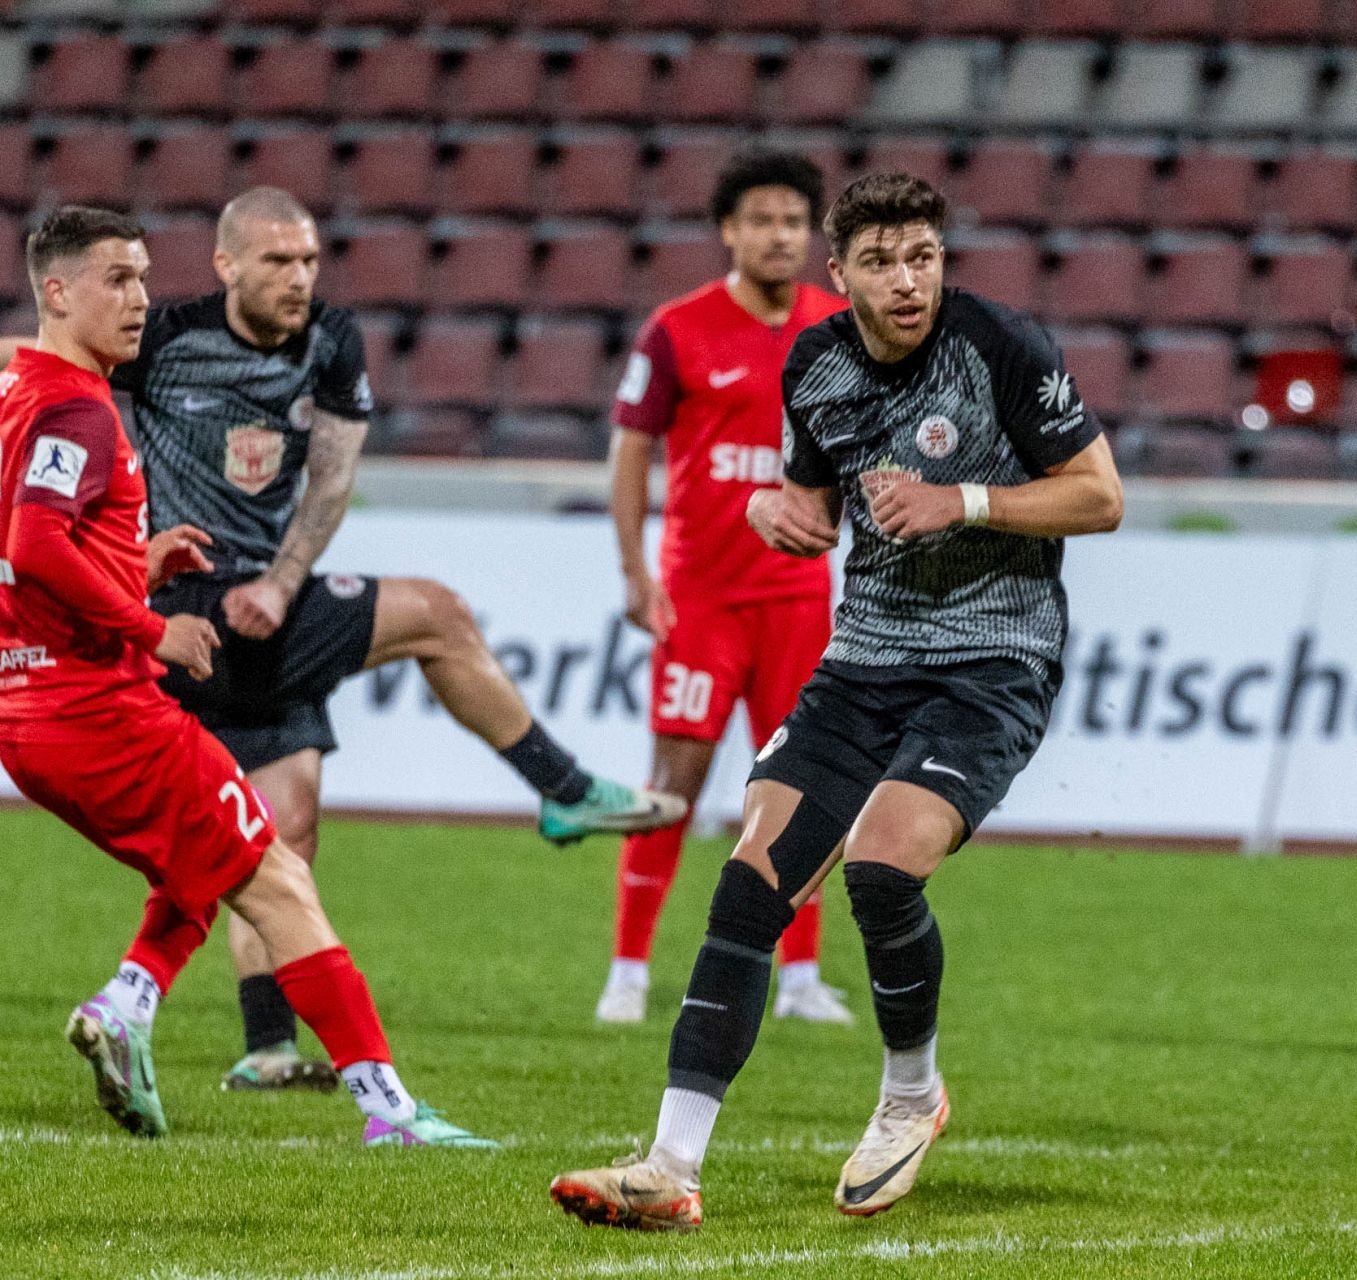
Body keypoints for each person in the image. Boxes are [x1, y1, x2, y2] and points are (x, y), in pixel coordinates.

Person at [3, 186, 686, 1092]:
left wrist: (281, 582)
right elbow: (46, 406)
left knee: (276, 833)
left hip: (253, 602)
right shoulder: (158, 339)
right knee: (435, 615)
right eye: (277, 261)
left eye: (310, 260)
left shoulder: (330, 339)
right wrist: (148, 596)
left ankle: (251, 1041)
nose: (299, 278)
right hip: (195, 606)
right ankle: (563, 790)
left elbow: (332, 474)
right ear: (226, 265)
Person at [549, 172, 1125, 1230]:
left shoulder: (1001, 346)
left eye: (923, 257)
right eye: (881, 261)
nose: (907, 282)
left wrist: (965, 500)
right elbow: (812, 497)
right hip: (862, 660)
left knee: (881, 865)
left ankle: (911, 1095)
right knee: (748, 886)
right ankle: (670, 1166)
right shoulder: (815, 364)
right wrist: (776, 513)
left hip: (993, 661)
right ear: (841, 271)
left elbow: (1101, 494)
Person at [0, 205, 492, 1146]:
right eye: (116, 279)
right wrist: (152, 626)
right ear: (56, 292)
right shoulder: (79, 409)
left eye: (144, 277)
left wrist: (137, 565)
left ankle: (128, 1004)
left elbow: (24, 551)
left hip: (28, 711)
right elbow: (34, 545)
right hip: (99, 709)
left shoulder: (20, 393)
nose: (139, 299)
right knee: (276, 877)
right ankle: (389, 1111)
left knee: (208, 856)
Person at [599, 150, 853, 1028]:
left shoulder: (840, 327)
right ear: (729, 232)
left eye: (794, 221)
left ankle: (802, 977)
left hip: (800, 601)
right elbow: (630, 449)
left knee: (808, 786)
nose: (780, 235)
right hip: (701, 599)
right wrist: (635, 571)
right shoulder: (678, 330)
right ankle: (628, 969)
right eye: (762, 220)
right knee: (674, 783)